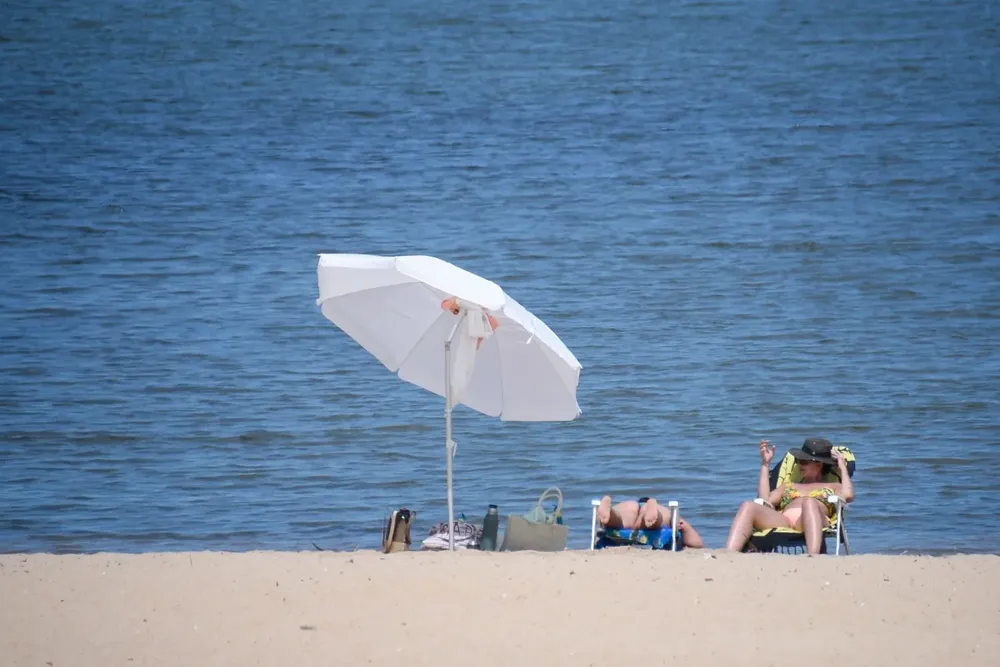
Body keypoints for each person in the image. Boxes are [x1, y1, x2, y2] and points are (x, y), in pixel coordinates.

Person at [725, 437, 855, 555]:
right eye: (798, 461)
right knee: (748, 506)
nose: (799, 464)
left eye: (804, 461)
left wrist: (842, 467)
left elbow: (848, 495)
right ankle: (729, 554)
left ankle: (814, 557)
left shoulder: (833, 486)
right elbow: (765, 500)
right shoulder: (789, 486)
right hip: (784, 522)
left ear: (818, 464)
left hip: (814, 520)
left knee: (809, 502)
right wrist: (765, 464)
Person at [596, 495, 705, 548]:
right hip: (654, 509)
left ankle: (611, 512)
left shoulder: (632, 504)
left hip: (629, 505)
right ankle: (651, 510)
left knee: (620, 519)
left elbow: (600, 534)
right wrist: (683, 526)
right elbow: (697, 544)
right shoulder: (661, 508)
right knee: (656, 523)